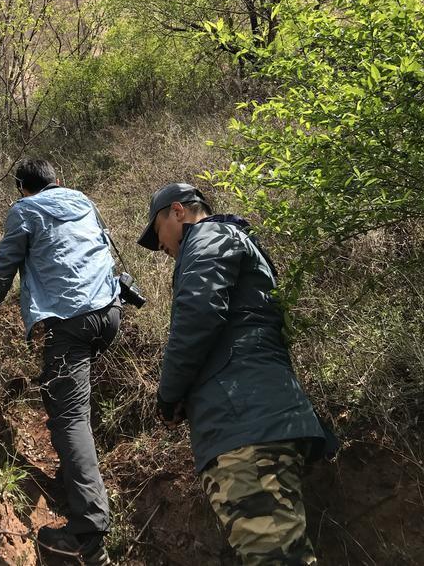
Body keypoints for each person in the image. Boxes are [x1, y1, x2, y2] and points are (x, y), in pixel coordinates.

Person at [137, 182, 326, 566]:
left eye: (157, 233)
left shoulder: (210, 236)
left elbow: (197, 315)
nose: (160, 247)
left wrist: (168, 396)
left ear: (178, 212)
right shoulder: (226, 241)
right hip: (251, 419)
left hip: (246, 425)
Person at [0, 158, 120, 566]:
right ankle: (74, 480)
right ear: (60, 180)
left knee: (69, 416)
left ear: (23, 187)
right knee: (68, 403)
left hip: (69, 320)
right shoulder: (83, 201)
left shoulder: (25, 209)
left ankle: (88, 536)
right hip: (108, 313)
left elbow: (4, 266)